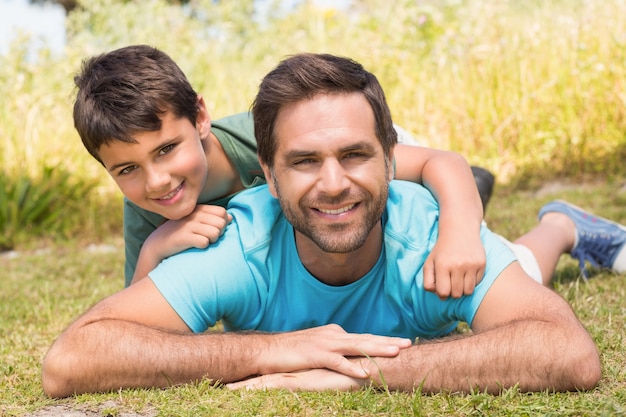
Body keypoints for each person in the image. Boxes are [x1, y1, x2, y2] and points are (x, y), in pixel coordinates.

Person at [42, 52, 626, 399]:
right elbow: (83, 352)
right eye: (302, 162)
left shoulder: (419, 234)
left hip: (423, 229)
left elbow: (567, 351)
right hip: (280, 228)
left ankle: (562, 227)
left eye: (354, 155)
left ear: (390, 159)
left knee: (521, 267)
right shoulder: (231, 240)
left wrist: (353, 370)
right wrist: (273, 351)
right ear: (267, 175)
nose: (331, 181)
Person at [73, 44, 490, 297]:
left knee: (483, 257)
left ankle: (524, 214)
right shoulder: (147, 206)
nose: (157, 180)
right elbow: (134, 314)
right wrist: (155, 248)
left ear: (200, 116)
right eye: (127, 168)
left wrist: (458, 233)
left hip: (368, 158)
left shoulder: (278, 148)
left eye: (166, 149)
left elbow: (441, 161)